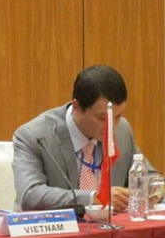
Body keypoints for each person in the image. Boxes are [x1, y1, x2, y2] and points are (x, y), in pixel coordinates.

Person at [13, 64, 155, 212]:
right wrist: (94, 198)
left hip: (109, 225)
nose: (112, 127)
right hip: (54, 225)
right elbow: (30, 194)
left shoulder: (122, 131)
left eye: (118, 116)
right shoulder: (35, 136)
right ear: (77, 107)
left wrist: (153, 190)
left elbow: (150, 176)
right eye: (103, 118)